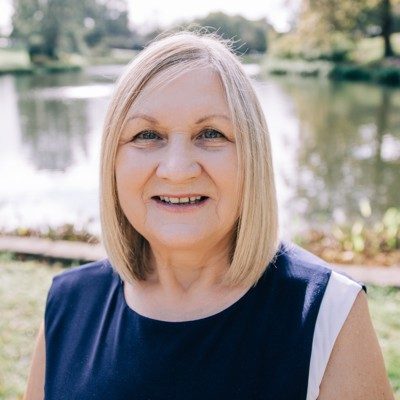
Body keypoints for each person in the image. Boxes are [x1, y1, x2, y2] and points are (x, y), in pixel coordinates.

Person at [24, 29, 394, 400]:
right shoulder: (68, 305)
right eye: (147, 135)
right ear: (113, 161)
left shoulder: (327, 310)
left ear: (252, 156)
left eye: (211, 133)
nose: (177, 169)